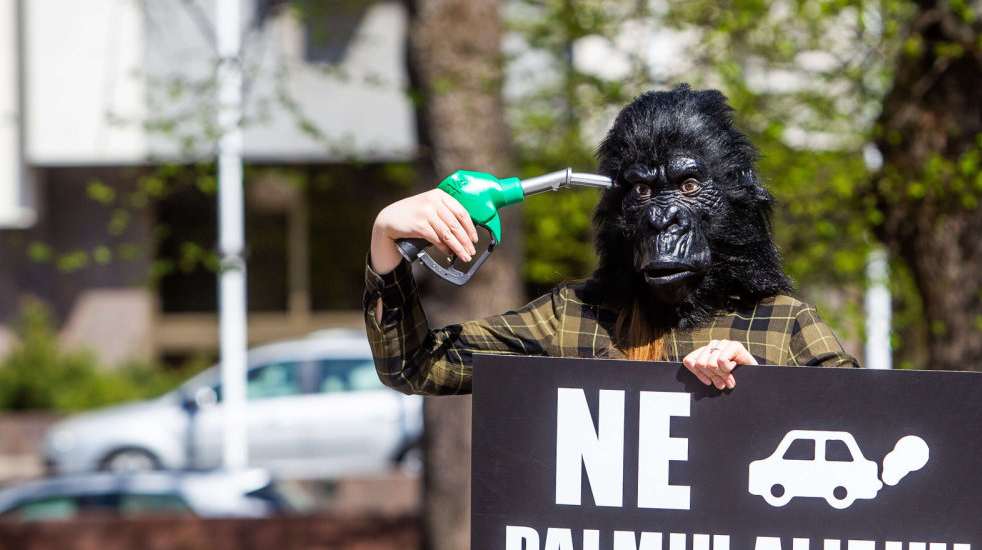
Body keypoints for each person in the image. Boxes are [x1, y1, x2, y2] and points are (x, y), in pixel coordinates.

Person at [364, 86, 857, 396]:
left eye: (687, 188)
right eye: (643, 191)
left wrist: (768, 386)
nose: (663, 218)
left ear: (735, 197)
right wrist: (387, 241)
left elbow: (874, 424)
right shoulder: (574, 318)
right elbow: (416, 365)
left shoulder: (782, 320)